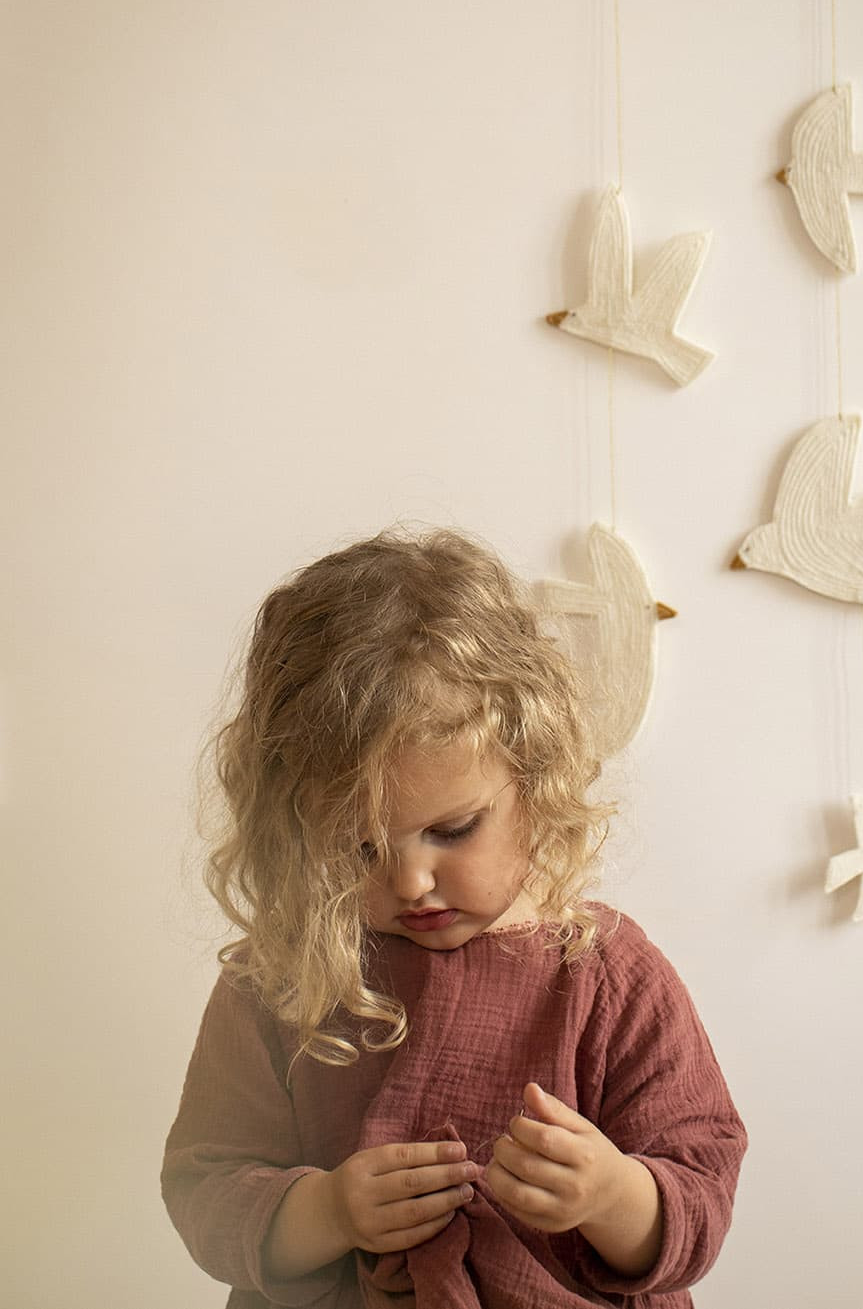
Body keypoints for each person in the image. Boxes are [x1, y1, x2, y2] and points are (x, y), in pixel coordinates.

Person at [162, 529, 746, 1308]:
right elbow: (208, 1184)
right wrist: (327, 1210)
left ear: (534, 779)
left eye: (454, 828)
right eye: (359, 844)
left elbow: (701, 1187)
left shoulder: (607, 972)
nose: (411, 879)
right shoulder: (281, 978)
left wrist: (611, 1195)